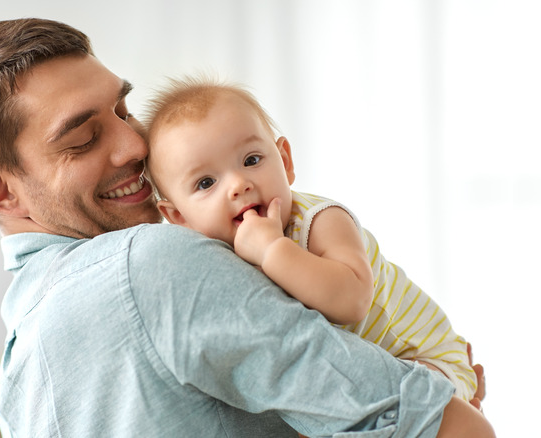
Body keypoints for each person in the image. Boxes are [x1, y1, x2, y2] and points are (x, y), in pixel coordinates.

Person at [0, 18, 493, 437]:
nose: (134, 145)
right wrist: (445, 398)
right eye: (83, 139)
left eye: (123, 111)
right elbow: (455, 432)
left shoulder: (18, 372)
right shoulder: (155, 264)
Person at [143, 78, 478, 402]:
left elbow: (353, 301)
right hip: (362, 376)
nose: (238, 184)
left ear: (285, 161)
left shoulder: (321, 220)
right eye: (205, 183)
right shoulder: (210, 259)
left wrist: (273, 249)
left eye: (251, 160)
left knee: (399, 401)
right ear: (179, 218)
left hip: (425, 358)